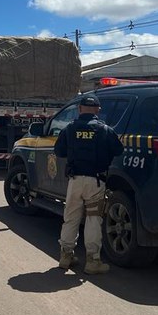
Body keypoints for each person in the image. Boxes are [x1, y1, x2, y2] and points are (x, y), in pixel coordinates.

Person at [53, 94, 124, 274]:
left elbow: (59, 151)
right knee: (93, 219)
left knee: (71, 218)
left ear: (79, 109)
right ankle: (93, 261)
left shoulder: (69, 129)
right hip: (96, 182)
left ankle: (66, 256)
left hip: (74, 181)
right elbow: (118, 150)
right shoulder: (105, 130)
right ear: (98, 110)